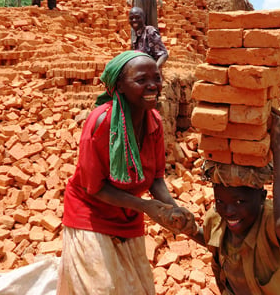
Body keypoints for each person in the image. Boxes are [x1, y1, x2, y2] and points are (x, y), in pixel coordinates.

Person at [57, 51, 197, 295]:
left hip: (127, 216)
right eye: (141, 80)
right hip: (90, 213)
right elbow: (95, 187)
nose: (153, 85)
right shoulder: (101, 122)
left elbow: (155, 179)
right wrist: (146, 207)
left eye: (156, 77)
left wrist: (173, 209)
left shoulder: (153, 120)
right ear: (120, 86)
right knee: (100, 288)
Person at [188, 108, 280, 295]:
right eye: (220, 200)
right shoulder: (216, 220)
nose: (228, 211)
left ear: (262, 197)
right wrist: (189, 229)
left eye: (239, 202)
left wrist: (278, 149)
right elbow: (214, 242)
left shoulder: (269, 222)